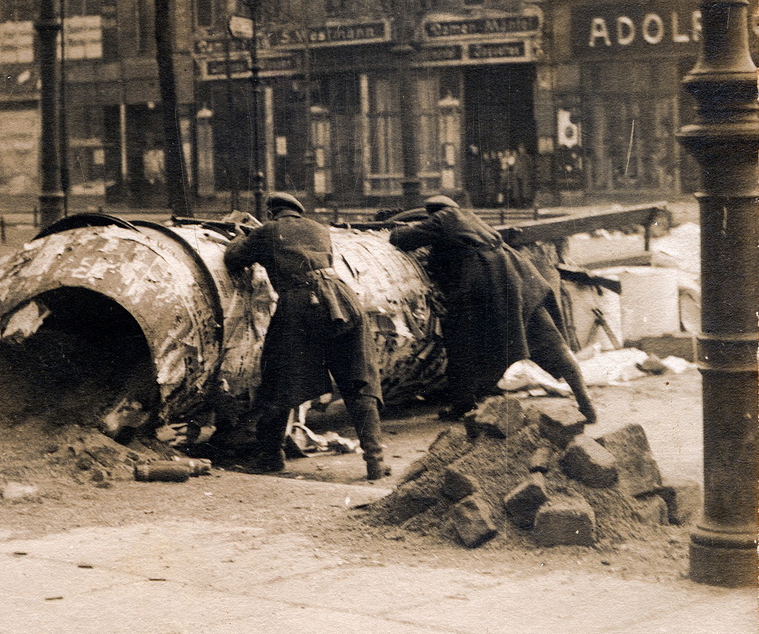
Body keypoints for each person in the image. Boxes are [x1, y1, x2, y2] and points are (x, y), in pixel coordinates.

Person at [223, 191, 390, 479]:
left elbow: (233, 258)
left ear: (272, 213)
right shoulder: (319, 228)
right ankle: (375, 461)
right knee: (359, 380)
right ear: (297, 212)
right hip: (343, 300)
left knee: (279, 378)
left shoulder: (268, 231)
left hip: (300, 303)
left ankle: (270, 457)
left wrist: (242, 236)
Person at [389, 196, 597, 424]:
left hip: (487, 280)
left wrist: (402, 227)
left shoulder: (443, 218)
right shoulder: (472, 219)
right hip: (519, 277)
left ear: (433, 212)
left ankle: (463, 406)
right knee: (551, 342)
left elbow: (401, 238)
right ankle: (584, 399)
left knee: (463, 344)